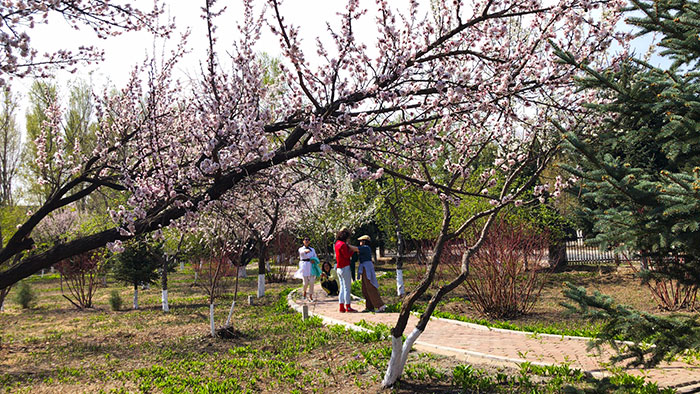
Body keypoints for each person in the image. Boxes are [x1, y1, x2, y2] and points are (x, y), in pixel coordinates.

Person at [354, 235, 386, 312]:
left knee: (370, 287)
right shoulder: (364, 248)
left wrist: (347, 245)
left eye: (361, 241)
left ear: (364, 241)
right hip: (364, 267)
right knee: (365, 289)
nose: (360, 243)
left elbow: (354, 249)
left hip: (367, 268)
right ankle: (369, 306)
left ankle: (380, 305)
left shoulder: (365, 248)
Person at [334, 229, 359, 312]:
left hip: (339, 268)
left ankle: (341, 306)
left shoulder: (337, 244)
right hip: (345, 267)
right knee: (347, 288)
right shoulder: (343, 245)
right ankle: (348, 306)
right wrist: (352, 251)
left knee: (341, 288)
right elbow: (347, 255)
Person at [295, 237, 318, 301]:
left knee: (312, 282)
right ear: (303, 241)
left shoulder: (312, 249)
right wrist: (305, 251)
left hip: (311, 265)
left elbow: (315, 256)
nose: (307, 241)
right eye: (305, 240)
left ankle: (311, 295)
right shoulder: (301, 249)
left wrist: (314, 260)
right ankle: (304, 292)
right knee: (305, 282)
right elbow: (302, 253)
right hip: (304, 265)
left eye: (308, 240)